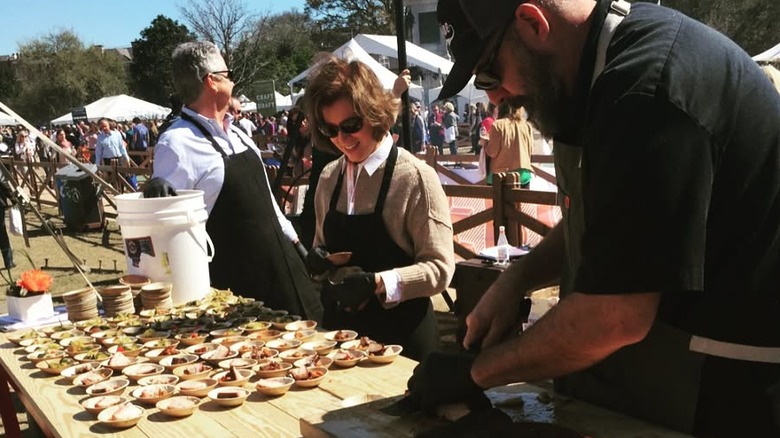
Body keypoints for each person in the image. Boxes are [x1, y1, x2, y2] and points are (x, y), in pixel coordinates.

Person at [407, 0, 780, 437]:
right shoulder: (595, 78)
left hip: (721, 391)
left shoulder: (646, 88)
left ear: (532, 22)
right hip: (659, 376)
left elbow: (615, 316)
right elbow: (614, 217)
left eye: (489, 71)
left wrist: (476, 373)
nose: (493, 96)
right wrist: (516, 279)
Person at [144, 41, 322, 322]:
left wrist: (297, 244)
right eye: (226, 74)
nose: (233, 80)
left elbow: (267, 202)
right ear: (211, 81)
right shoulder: (177, 143)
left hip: (284, 265)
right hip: (241, 286)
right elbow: (168, 234)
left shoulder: (238, 133)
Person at [303, 56, 455, 361]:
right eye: (331, 130)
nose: (342, 140)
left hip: (402, 343)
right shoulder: (329, 176)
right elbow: (322, 247)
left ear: (374, 113)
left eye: (351, 125)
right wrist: (318, 263)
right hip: (340, 341)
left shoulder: (415, 177)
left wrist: (378, 283)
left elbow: (439, 270)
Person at [484, 102, 534, 187]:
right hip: (523, 174)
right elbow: (530, 150)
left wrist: (485, 144)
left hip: (500, 175)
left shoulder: (497, 125)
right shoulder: (526, 125)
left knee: (499, 200)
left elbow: (492, 152)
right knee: (522, 200)